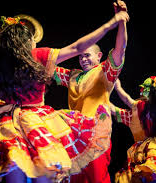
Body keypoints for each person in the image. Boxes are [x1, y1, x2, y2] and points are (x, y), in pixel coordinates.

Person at [0, 10, 128, 183]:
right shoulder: (38, 56)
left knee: (14, 162)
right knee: (45, 165)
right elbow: (77, 47)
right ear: (27, 40)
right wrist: (111, 24)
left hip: (7, 122)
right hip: (37, 120)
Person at [53, 1, 129, 182]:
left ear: (99, 56)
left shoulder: (105, 72)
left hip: (96, 135)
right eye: (80, 56)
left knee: (96, 177)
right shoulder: (72, 75)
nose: (83, 59)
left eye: (87, 55)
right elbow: (48, 66)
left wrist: (121, 22)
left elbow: (121, 49)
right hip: (74, 136)